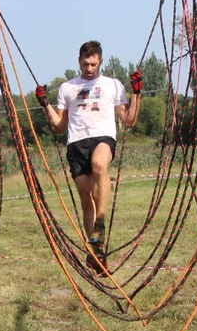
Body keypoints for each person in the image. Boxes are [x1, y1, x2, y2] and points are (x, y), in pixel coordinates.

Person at [35, 41, 142, 269]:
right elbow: (59, 126)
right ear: (79, 62)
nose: (90, 68)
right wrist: (45, 104)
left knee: (100, 165)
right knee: (86, 199)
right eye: (86, 64)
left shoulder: (113, 85)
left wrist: (136, 93)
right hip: (76, 143)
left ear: (100, 61)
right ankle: (96, 254)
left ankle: (100, 223)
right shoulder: (67, 88)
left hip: (102, 137)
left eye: (93, 64)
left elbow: (129, 120)